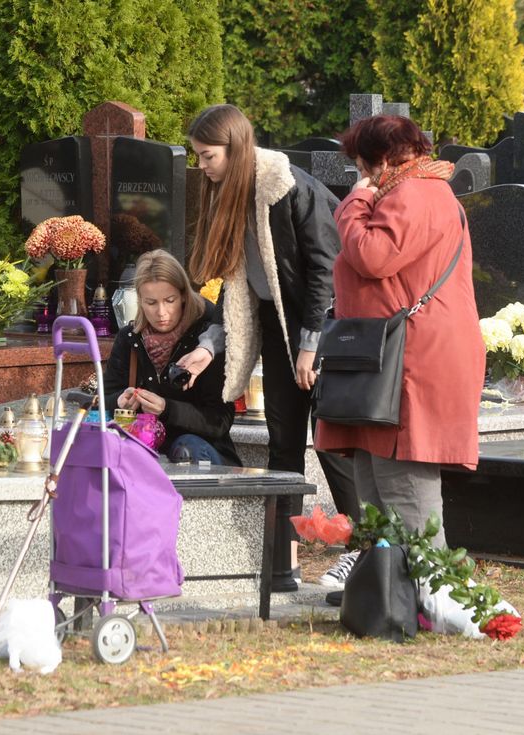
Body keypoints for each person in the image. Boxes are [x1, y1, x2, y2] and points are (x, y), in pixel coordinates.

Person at [173, 103, 359, 589]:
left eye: (207, 156)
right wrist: (211, 346)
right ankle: (284, 564)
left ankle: (368, 550)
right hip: (281, 333)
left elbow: (326, 268)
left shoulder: (288, 187)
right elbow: (240, 291)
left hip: (325, 332)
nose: (202, 167)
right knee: (283, 447)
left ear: (234, 149)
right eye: (198, 157)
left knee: (333, 444)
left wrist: (309, 346)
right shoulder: (229, 194)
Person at [315, 114, 485, 550]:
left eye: (363, 166)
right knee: (376, 489)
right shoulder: (411, 191)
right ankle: (389, 596)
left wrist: (354, 202)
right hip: (391, 359)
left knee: (407, 496)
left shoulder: (418, 193)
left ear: (384, 158)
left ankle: (437, 599)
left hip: (411, 364)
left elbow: (373, 256)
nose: (363, 177)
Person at [102, 249, 240, 466]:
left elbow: (219, 421)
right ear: (139, 300)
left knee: (187, 447)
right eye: (151, 302)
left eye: (169, 300)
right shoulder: (129, 338)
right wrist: (119, 401)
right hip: (146, 452)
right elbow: (102, 402)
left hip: (204, 454)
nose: (161, 312)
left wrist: (167, 409)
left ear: (183, 295)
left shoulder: (207, 342)